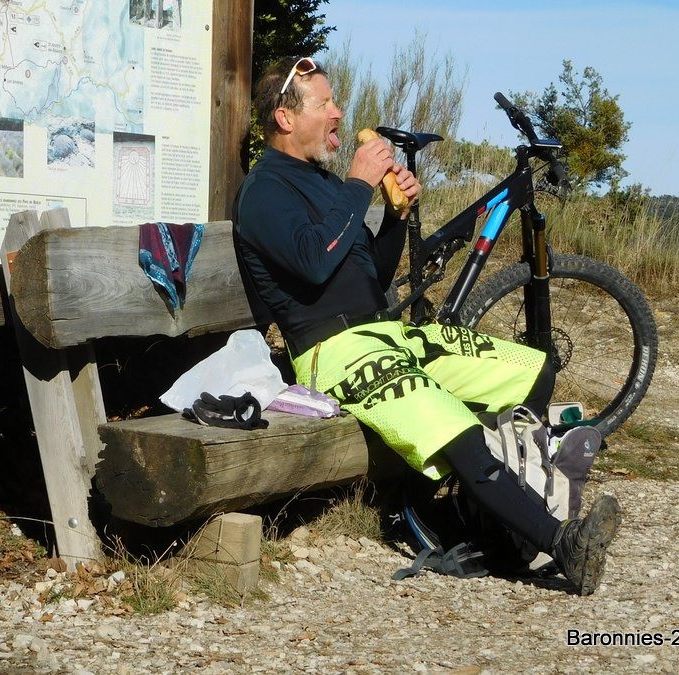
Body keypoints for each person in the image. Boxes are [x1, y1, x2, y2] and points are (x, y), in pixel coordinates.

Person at [233, 55, 622, 595]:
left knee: (531, 370)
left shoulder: (319, 182)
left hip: (385, 333)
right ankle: (561, 544)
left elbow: (371, 274)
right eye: (325, 104)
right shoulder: (265, 191)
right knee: (458, 432)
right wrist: (359, 184)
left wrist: (393, 218)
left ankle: (501, 511)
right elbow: (315, 260)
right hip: (335, 352)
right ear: (285, 117)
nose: (338, 113)